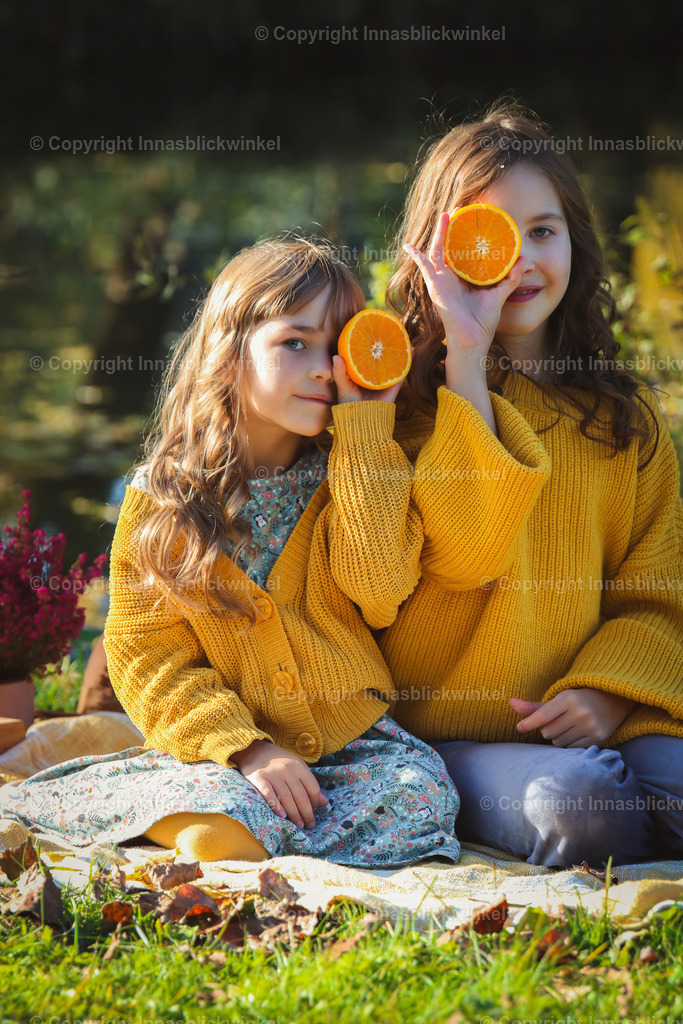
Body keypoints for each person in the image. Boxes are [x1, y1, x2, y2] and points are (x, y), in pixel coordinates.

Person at [0, 237, 459, 866]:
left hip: (348, 749)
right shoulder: (164, 500)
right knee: (224, 816)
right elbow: (146, 658)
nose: (324, 366)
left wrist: (366, 428)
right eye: (295, 342)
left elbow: (381, 591)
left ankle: (251, 836)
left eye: (337, 346)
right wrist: (246, 749)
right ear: (228, 352)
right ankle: (224, 827)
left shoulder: (353, 472)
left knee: (423, 795)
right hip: (223, 753)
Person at [326, 101, 683, 868]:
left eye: (541, 231)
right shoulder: (403, 412)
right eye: (483, 239)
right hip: (443, 737)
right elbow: (467, 554)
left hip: (595, 717)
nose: (517, 259)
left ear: (574, 243)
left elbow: (658, 596)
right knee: (586, 810)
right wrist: (465, 354)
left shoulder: (625, 421)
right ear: (431, 256)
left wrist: (609, 692)